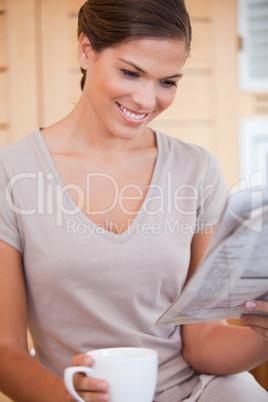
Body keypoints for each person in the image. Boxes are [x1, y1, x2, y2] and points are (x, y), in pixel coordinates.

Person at [0, 0, 267, 401]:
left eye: (167, 81)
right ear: (86, 51)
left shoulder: (196, 169)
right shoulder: (11, 174)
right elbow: (6, 351)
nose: (146, 100)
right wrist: (68, 397)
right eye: (130, 72)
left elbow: (203, 342)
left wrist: (263, 337)